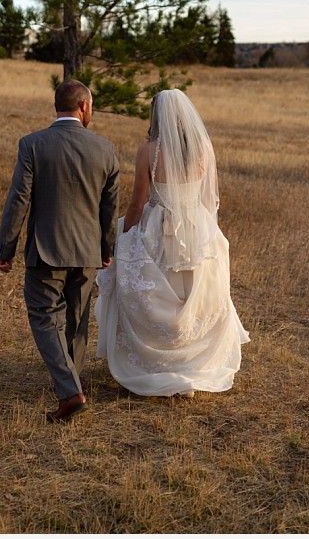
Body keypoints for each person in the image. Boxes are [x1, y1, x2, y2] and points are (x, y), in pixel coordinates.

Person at [95, 89, 249, 397]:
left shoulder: (148, 151)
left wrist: (124, 237)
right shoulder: (203, 147)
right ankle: (192, 365)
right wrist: (205, 230)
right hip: (195, 227)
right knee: (194, 295)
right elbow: (208, 200)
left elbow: (137, 203)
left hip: (158, 227)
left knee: (156, 296)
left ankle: (158, 364)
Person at [0, 79, 120, 423]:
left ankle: (70, 392)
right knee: (76, 321)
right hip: (87, 252)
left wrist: (6, 246)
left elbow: (18, 199)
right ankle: (72, 385)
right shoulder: (105, 149)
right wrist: (106, 249)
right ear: (83, 107)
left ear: (58, 107)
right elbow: (110, 208)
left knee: (43, 317)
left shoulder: (33, 145)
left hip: (46, 250)